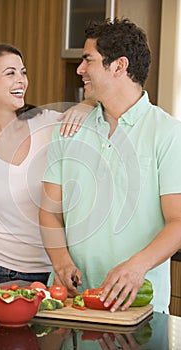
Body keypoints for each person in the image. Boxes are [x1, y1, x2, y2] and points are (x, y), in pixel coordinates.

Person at [39, 18, 181, 314]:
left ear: (119, 66)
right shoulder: (68, 129)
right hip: (72, 302)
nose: (80, 69)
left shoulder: (168, 133)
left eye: (88, 60)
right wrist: (61, 262)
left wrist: (136, 267)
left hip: (139, 306)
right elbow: (50, 212)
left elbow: (178, 221)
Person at [0, 43, 94, 292]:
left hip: (57, 271)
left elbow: (98, 109)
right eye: (10, 73)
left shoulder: (48, 122)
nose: (21, 80)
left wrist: (86, 105)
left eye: (23, 72)